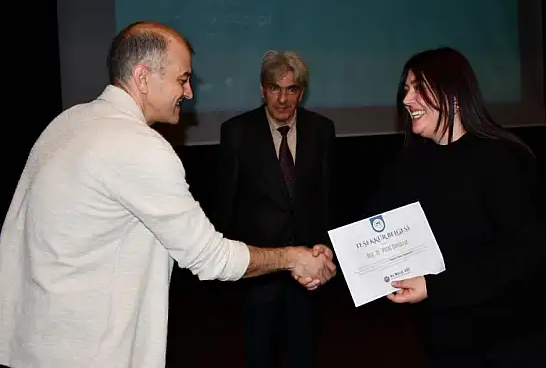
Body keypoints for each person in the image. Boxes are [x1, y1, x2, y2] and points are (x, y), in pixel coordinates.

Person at [0, 22, 335, 368]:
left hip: (34, 343)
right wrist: (293, 257)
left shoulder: (67, 122)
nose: (188, 93)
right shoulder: (140, 147)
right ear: (143, 77)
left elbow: (13, 234)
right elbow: (210, 257)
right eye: (182, 79)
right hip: (91, 351)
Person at [357, 47, 546, 367]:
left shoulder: (504, 160)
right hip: (447, 342)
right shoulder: (408, 164)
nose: (407, 99)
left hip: (513, 341)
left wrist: (436, 287)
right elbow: (370, 227)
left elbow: (524, 256)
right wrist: (325, 256)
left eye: (419, 88)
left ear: (453, 94)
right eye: (406, 89)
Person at [216, 50, 336, 368]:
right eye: (274, 88)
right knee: (259, 355)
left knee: (304, 354)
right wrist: (230, 267)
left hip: (308, 272)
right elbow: (225, 205)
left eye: (291, 89)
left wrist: (326, 251)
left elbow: (327, 198)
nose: (282, 99)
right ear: (262, 89)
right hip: (258, 273)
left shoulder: (322, 129)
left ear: (302, 92)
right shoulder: (236, 132)